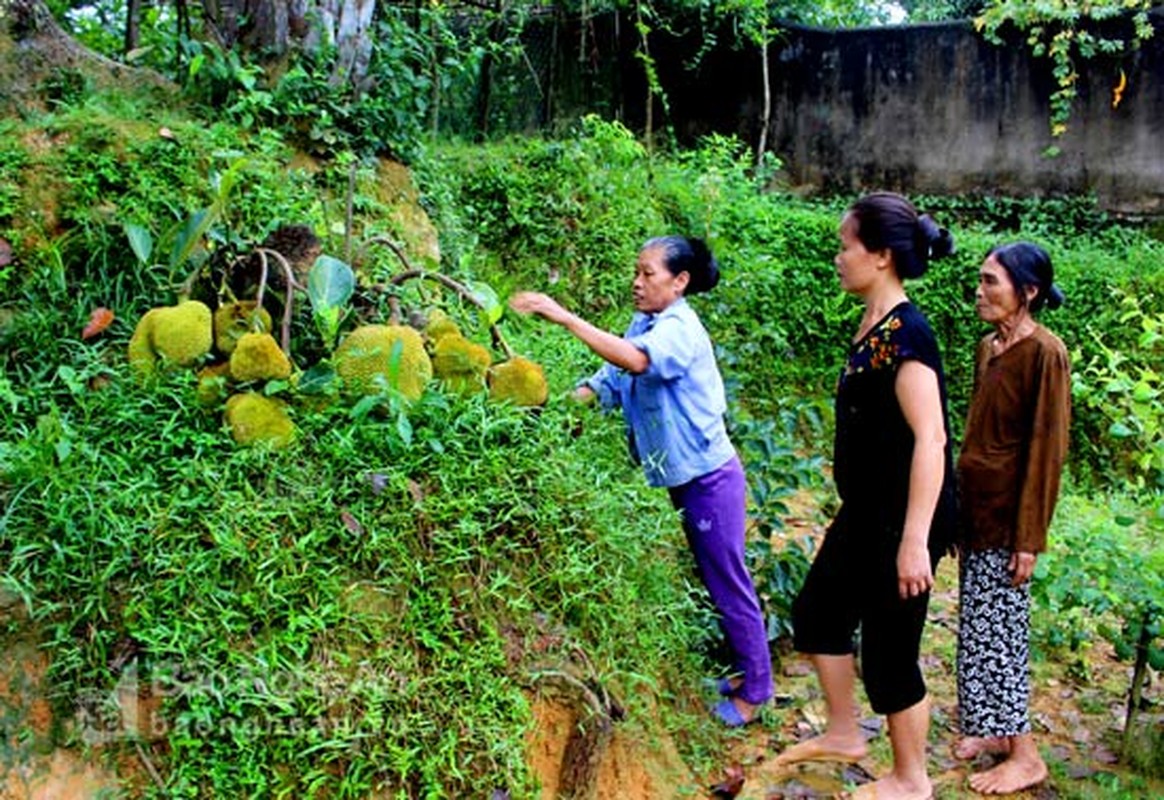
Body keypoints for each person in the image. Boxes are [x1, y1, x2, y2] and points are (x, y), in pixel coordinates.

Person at [508, 235, 773, 727]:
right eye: (637, 271)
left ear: (680, 281)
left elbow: (638, 361)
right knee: (715, 577)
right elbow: (614, 376)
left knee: (726, 580)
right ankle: (744, 673)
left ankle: (756, 692)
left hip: (709, 479)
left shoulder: (679, 329)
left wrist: (564, 317)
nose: (637, 281)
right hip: (686, 477)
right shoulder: (647, 321)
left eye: (648, 273)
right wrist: (562, 406)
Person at [773, 192, 956, 800]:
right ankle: (847, 733)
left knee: (889, 651)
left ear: (879, 256)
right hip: (868, 511)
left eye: (844, 246)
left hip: (904, 520)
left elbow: (931, 438)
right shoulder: (872, 324)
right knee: (819, 614)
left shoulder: (909, 332)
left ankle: (912, 779)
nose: (836, 257)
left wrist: (913, 542)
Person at [953, 242, 1069, 794]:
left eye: (991, 282)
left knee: (1002, 635)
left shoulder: (1046, 353)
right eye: (979, 280)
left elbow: (1046, 451)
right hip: (978, 510)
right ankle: (995, 732)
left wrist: (1030, 538)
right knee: (977, 627)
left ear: (1028, 292)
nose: (980, 291)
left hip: (1010, 521)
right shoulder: (987, 347)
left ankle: (1025, 754)